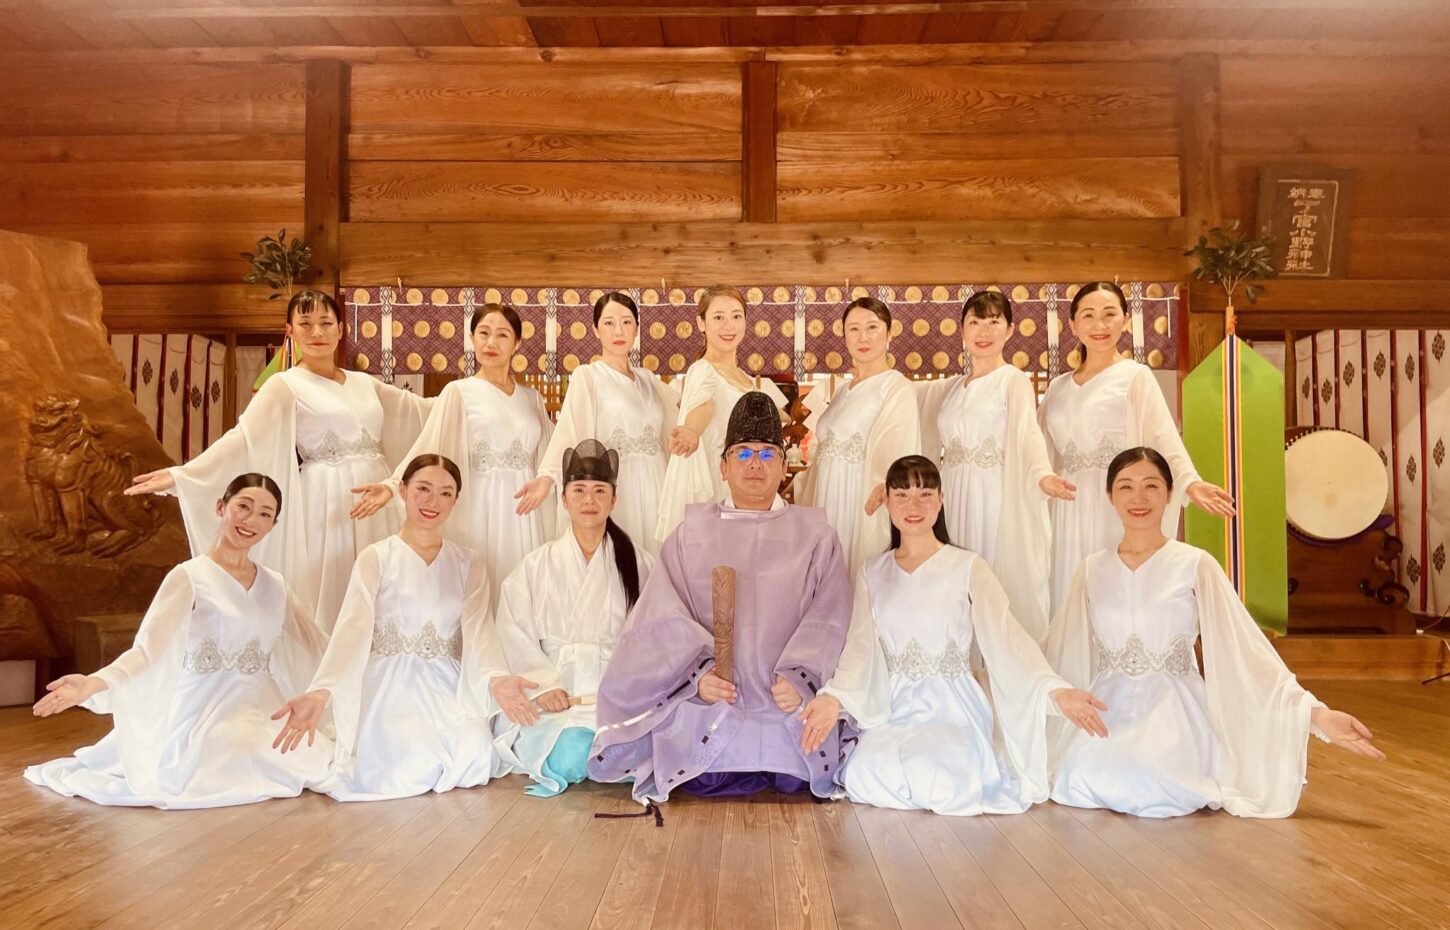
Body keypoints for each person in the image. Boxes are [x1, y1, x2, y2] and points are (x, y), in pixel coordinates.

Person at [1045, 447, 1384, 818]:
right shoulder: (1092, 569)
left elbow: (1247, 649)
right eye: (1126, 486)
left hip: (1174, 715)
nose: (1138, 497)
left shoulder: (1194, 565)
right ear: (1110, 495)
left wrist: (1316, 716)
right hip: (1104, 714)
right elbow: (1059, 649)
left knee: (1156, 780)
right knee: (1080, 777)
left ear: (1170, 494)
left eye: (1151, 486)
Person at [796, 456, 1106, 815]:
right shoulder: (872, 572)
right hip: (892, 707)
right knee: (866, 772)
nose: (914, 506)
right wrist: (835, 697)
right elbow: (860, 648)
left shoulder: (968, 566)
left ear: (941, 500)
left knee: (941, 778)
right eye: (902, 495)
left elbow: (1007, 639)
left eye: (925, 494)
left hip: (952, 708)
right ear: (887, 501)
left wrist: (1053, 690)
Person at [589, 391, 852, 802]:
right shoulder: (690, 534)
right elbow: (661, 619)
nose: (754, 463)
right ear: (723, 466)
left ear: (784, 466)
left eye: (767, 454)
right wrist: (698, 678)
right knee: (705, 773)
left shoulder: (817, 535)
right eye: (743, 453)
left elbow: (830, 617)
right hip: (714, 704)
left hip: (786, 704)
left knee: (795, 776)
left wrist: (802, 677)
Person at [126, 291, 433, 633]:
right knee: (333, 586)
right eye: (306, 324)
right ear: (290, 331)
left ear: (341, 329)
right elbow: (243, 439)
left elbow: (422, 413)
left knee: (384, 587)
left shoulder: (365, 383)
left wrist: (467, 394)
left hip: (377, 497)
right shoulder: (285, 384)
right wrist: (183, 476)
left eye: (326, 323)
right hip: (327, 501)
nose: (317, 332)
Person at [26, 474, 332, 808]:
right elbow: (148, 651)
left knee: (288, 756)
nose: (251, 520)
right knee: (223, 755)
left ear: (273, 525)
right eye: (243, 506)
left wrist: (361, 664)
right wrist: (93, 683)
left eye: (264, 514)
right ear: (221, 507)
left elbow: (321, 646)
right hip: (202, 709)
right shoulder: (190, 576)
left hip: (262, 709)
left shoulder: (276, 585)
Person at [271, 455, 538, 802]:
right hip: (390, 684)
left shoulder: (468, 562)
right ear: (402, 490)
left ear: (456, 501)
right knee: (410, 758)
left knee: (474, 751)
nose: (433, 501)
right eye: (423, 489)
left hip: (446, 683)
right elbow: (352, 631)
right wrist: (323, 692)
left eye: (445, 493)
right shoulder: (376, 557)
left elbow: (480, 631)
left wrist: (496, 678)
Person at [1039, 281, 1235, 614]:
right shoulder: (1057, 388)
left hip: (1115, 501)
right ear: (1072, 325)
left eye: (1109, 314)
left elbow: (1164, 438)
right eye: (1088, 315)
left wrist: (1189, 482)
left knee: (1112, 591)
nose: (1100, 325)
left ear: (1126, 320)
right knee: (1069, 589)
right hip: (1067, 507)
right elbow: (1038, 452)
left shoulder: (1134, 376)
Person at [351, 304, 554, 605]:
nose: (491, 342)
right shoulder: (459, 392)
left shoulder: (532, 398)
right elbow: (429, 445)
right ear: (472, 338)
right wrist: (393, 486)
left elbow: (554, 452)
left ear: (516, 344)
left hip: (525, 511)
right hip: (481, 505)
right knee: (482, 584)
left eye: (502, 335)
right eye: (483, 333)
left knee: (522, 587)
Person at [496, 440, 656, 797]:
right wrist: (544, 684)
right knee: (571, 751)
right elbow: (513, 631)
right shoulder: (536, 566)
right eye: (579, 490)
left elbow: (654, 639)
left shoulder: (640, 564)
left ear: (613, 500)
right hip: (558, 697)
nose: (589, 500)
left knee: (633, 747)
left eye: (600, 491)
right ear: (564, 500)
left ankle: (611, 758)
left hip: (616, 697)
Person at [916, 292, 1073, 639]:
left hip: (992, 496)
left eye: (993, 322)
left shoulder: (1012, 380)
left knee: (992, 574)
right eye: (975, 322)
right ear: (961, 330)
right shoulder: (950, 388)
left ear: (1010, 329)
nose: (984, 331)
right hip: (953, 494)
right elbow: (904, 396)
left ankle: (999, 663)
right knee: (955, 581)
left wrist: (1042, 475)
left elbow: (1027, 432)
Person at [528, 292, 678, 555]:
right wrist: (548, 477)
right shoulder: (588, 376)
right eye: (609, 323)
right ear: (596, 330)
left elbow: (682, 414)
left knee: (657, 560)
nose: (618, 330)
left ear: (637, 329)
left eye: (626, 322)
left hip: (657, 483)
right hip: (618, 486)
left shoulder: (649, 380)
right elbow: (570, 432)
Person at [794, 297, 920, 581]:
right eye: (853, 329)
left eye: (872, 327)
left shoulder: (895, 387)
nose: (863, 337)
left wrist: (883, 486)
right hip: (828, 495)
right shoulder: (842, 390)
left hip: (862, 499)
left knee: (857, 576)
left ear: (889, 333)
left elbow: (896, 447)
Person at [655, 285, 789, 542]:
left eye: (736, 316)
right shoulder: (703, 369)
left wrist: (779, 414)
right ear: (701, 323)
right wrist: (692, 431)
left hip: (746, 479)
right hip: (719, 482)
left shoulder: (745, 378)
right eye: (718, 317)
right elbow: (704, 406)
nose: (729, 325)